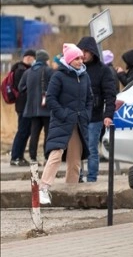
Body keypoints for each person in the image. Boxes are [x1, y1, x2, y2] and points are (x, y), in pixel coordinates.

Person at [38, 44, 92, 205]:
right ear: (69, 59)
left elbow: (90, 98)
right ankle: (43, 188)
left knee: (75, 160)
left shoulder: (85, 76)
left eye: (81, 57)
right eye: (77, 58)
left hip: (78, 122)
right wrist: (63, 113)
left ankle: (71, 193)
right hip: (61, 121)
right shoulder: (58, 76)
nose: (80, 61)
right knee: (55, 154)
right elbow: (51, 99)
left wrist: (86, 114)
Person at [77, 36, 117, 182]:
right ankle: (78, 176)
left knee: (92, 149)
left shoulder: (103, 70)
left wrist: (108, 115)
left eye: (87, 51)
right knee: (77, 150)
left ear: (93, 52)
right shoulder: (76, 68)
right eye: (81, 50)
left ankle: (92, 178)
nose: (84, 54)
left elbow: (110, 95)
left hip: (95, 117)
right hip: (77, 116)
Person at [17, 49, 53, 166]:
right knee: (48, 134)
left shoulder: (28, 72)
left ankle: (33, 158)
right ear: (45, 60)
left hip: (32, 109)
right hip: (46, 108)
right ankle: (47, 157)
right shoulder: (49, 71)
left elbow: (20, 87)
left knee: (34, 134)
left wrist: (30, 92)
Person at [9, 49, 35, 167]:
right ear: (29, 58)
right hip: (23, 106)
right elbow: (23, 89)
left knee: (25, 131)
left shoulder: (21, 69)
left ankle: (19, 156)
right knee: (23, 131)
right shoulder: (21, 70)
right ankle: (15, 157)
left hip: (23, 106)